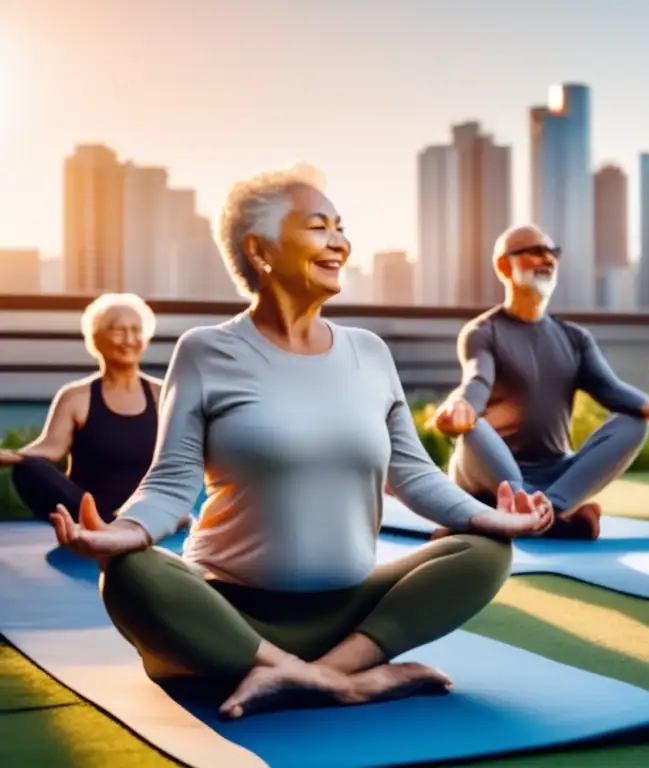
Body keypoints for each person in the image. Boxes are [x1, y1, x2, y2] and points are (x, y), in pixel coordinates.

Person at [47, 166, 556, 720]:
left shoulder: (370, 353)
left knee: (484, 553)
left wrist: (494, 520)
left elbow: (414, 475)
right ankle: (347, 684)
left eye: (340, 227)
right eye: (318, 227)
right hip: (228, 616)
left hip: (348, 616)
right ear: (259, 249)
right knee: (128, 572)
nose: (340, 242)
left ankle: (316, 675)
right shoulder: (205, 351)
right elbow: (171, 484)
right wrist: (118, 532)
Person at [430, 223, 649, 541]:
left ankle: (547, 510)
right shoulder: (482, 332)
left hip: (556, 475)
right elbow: (477, 380)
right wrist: (459, 408)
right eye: (535, 251)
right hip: (491, 473)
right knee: (473, 428)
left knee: (635, 422)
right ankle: (539, 516)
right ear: (504, 265)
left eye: (552, 252)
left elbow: (611, 390)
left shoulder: (575, 338)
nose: (547, 259)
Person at [0, 293, 163, 524]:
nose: (129, 339)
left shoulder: (163, 395)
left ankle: (125, 526)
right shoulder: (76, 396)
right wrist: (13, 457)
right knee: (28, 468)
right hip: (87, 514)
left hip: (148, 514)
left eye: (136, 330)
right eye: (118, 330)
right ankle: (103, 525)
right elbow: (52, 447)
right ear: (96, 339)